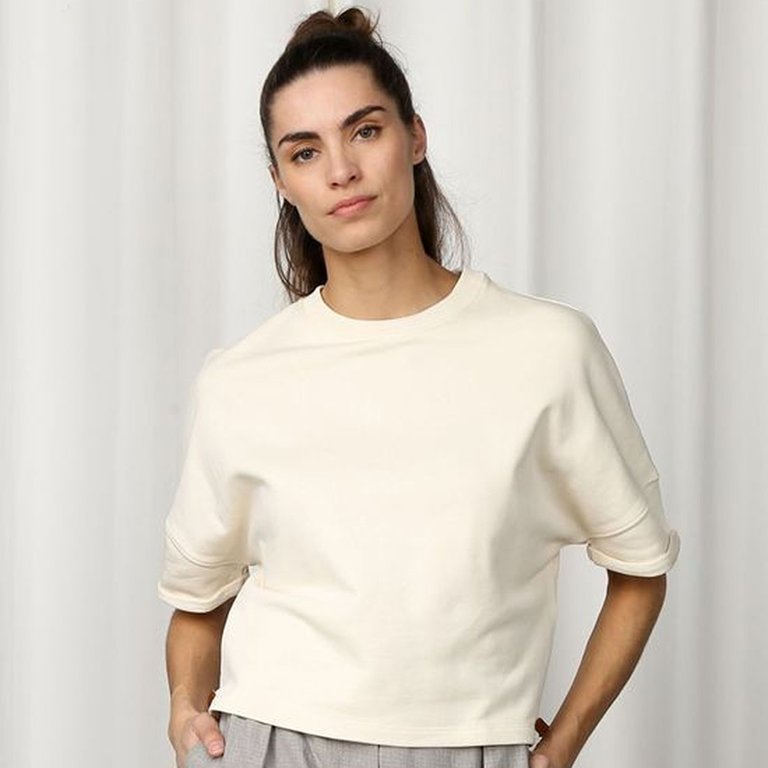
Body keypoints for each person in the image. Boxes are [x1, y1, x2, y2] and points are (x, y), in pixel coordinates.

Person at [158, 8, 681, 768]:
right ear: (281, 182)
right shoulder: (239, 379)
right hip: (270, 740)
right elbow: (198, 603)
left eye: (365, 131)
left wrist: (562, 743)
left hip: (467, 745)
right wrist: (185, 709)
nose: (340, 170)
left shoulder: (547, 351)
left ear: (415, 137)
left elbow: (640, 565)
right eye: (305, 152)